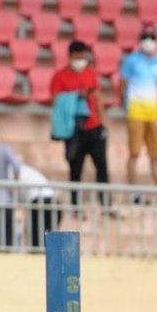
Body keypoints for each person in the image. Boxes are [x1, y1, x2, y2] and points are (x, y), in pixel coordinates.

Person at [51, 40, 111, 205]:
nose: (81, 62)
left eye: (84, 58)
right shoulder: (60, 77)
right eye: (78, 58)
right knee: (75, 169)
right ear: (70, 57)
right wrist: (76, 95)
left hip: (94, 127)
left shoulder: (90, 74)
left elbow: (98, 98)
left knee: (102, 167)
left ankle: (106, 205)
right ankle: (76, 206)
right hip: (75, 130)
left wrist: (103, 124)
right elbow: (56, 100)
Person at [119, 27, 157, 190]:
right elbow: (122, 85)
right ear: (140, 40)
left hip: (153, 113)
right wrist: (125, 106)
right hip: (136, 112)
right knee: (134, 153)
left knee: (156, 155)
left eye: (152, 37)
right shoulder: (131, 61)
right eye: (146, 37)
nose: (149, 41)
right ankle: (134, 191)